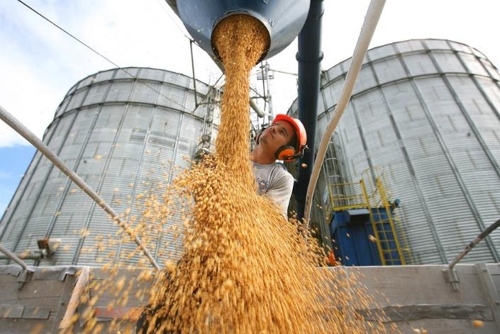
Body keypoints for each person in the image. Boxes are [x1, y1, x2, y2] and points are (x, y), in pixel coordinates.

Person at [250, 114, 308, 217]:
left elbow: (268, 220)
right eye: (274, 125)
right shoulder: (233, 155)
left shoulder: (281, 178)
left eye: (282, 132)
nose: (274, 128)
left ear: (286, 151)